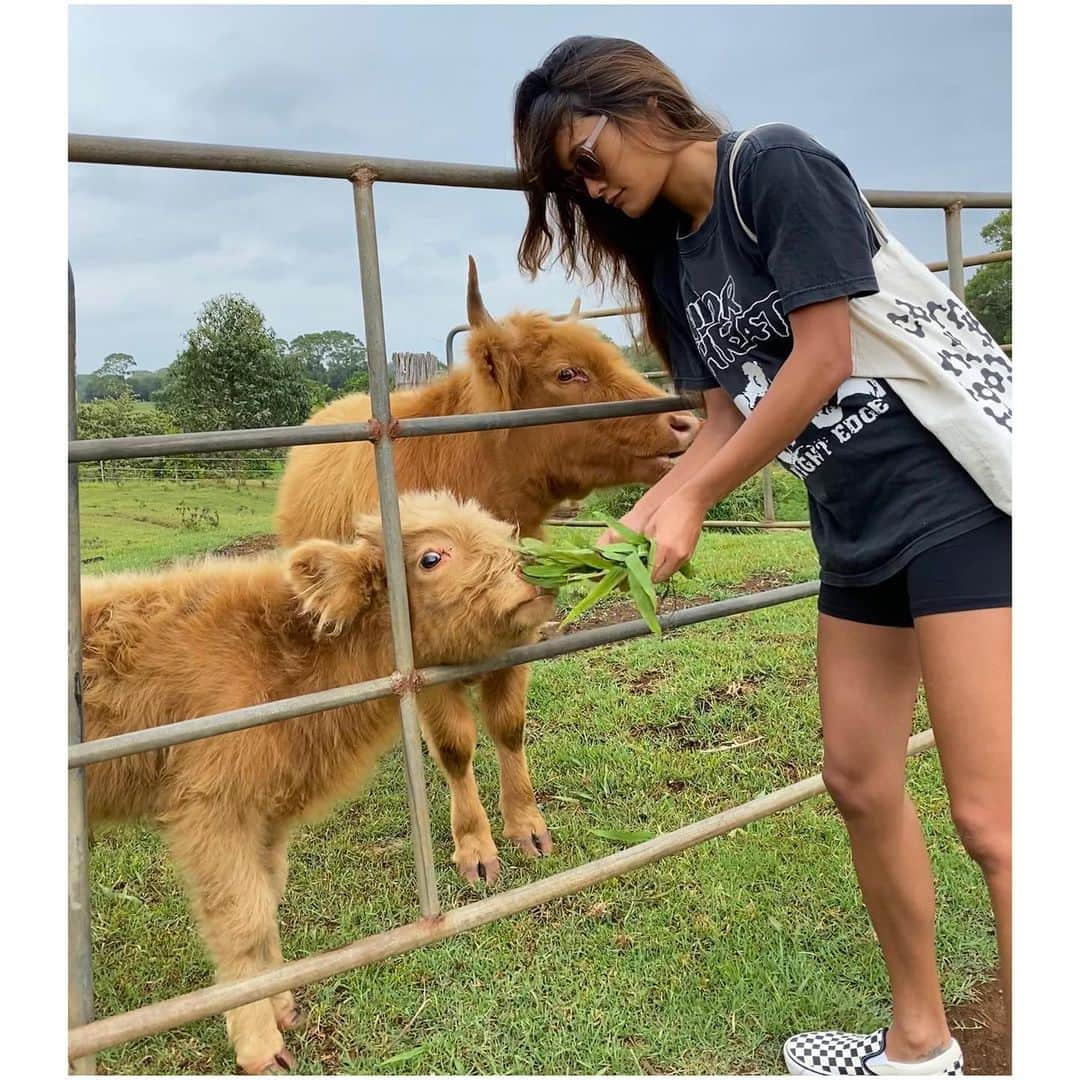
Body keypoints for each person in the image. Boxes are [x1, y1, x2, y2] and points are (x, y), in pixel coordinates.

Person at [512, 35, 1010, 1077]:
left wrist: (692, 493)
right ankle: (920, 1045)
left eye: (587, 156)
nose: (590, 187)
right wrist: (645, 519)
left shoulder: (772, 168)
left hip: (955, 503)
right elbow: (723, 416)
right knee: (861, 780)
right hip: (857, 526)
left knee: (992, 819)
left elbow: (824, 358)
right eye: (569, 183)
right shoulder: (671, 256)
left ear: (644, 103)